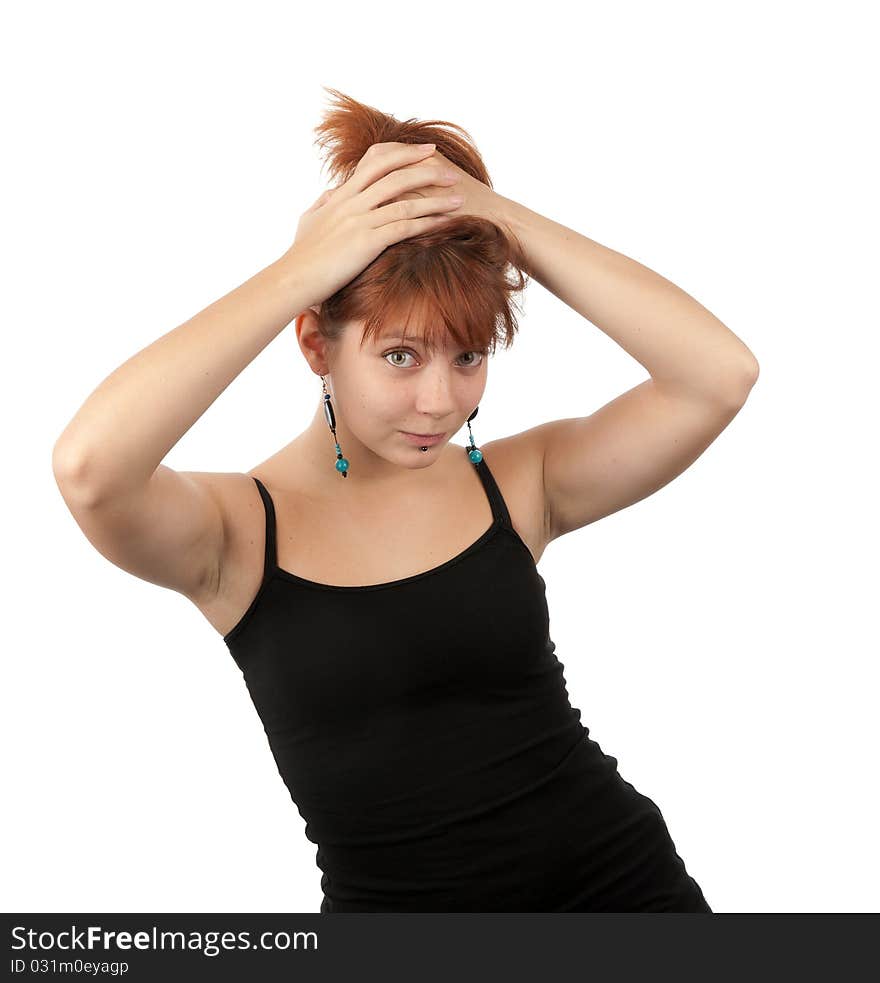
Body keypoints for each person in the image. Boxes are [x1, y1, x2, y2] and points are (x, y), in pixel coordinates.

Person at [52, 88, 758, 912]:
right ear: (316, 341)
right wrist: (296, 273)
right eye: (399, 356)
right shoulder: (234, 533)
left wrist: (492, 213)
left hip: (626, 892)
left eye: (467, 356)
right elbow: (89, 467)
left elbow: (718, 375)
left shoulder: (518, 483)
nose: (439, 401)